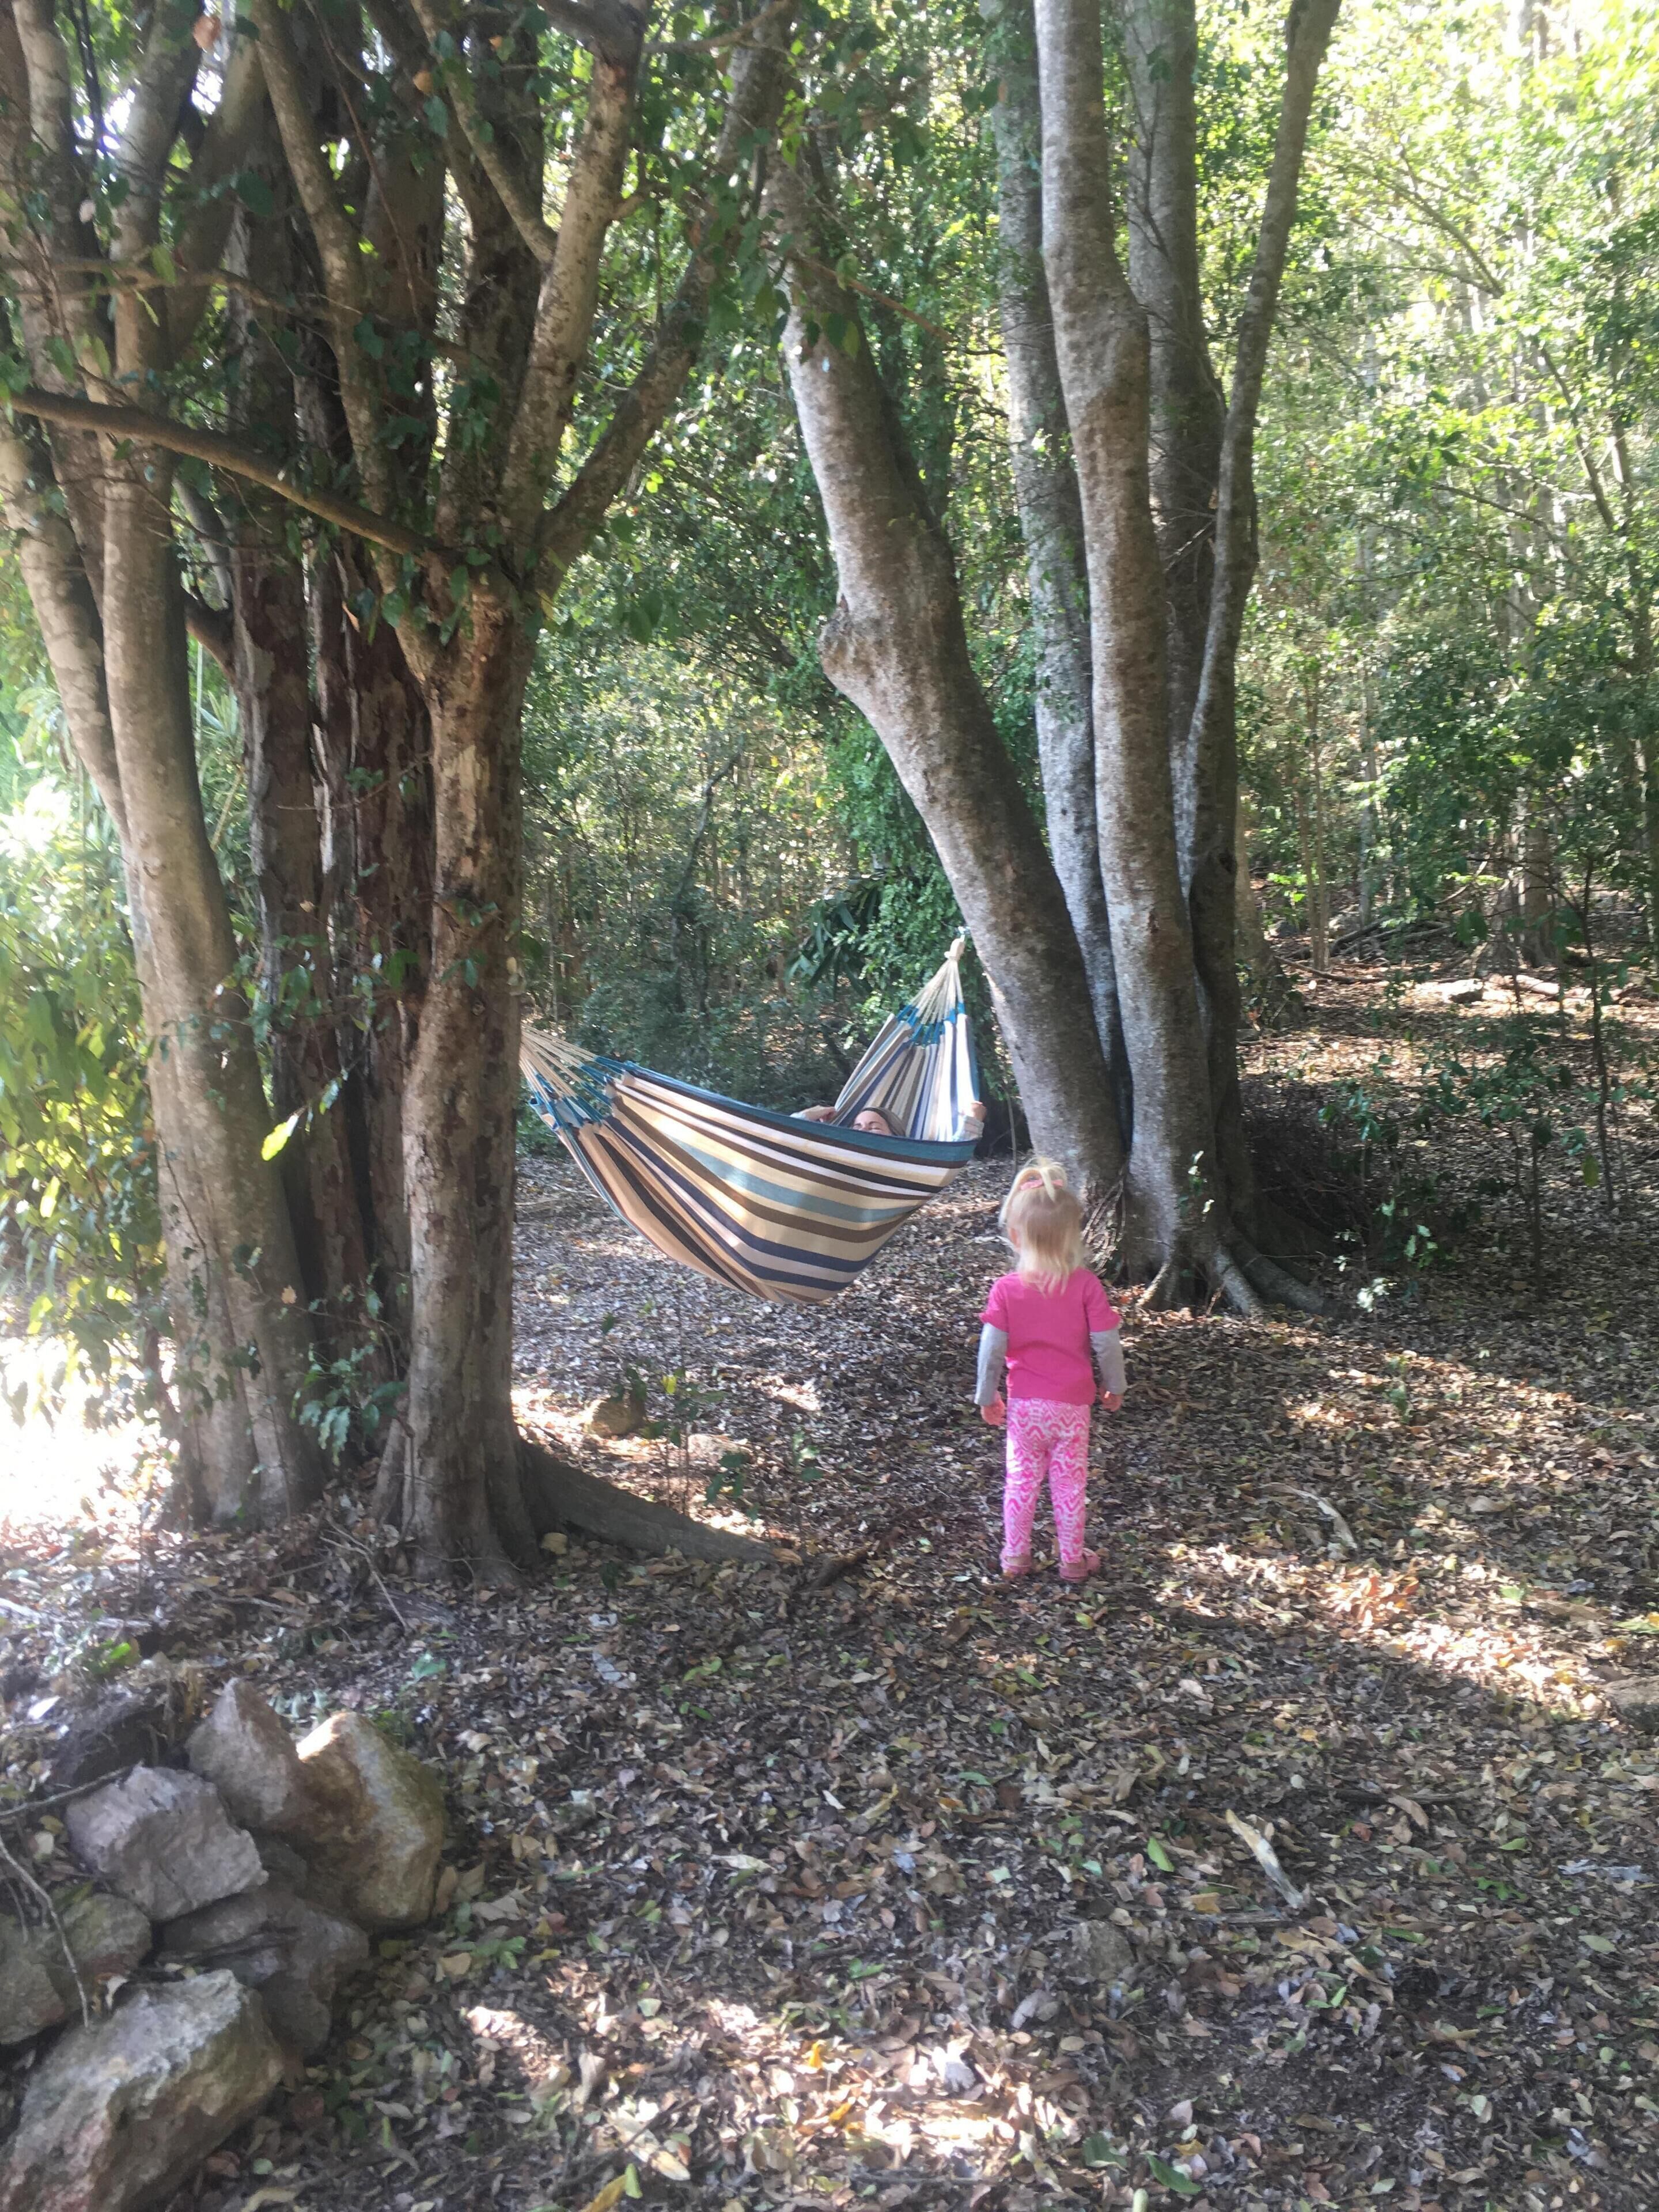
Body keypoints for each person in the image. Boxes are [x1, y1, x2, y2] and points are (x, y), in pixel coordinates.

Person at [973, 1159, 1124, 1583]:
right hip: (1073, 1405)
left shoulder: (1006, 1289)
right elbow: (1106, 1342)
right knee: (1070, 1484)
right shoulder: (1086, 1285)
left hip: (1025, 1405)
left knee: (1021, 1480)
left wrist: (988, 1396)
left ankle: (1015, 1558)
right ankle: (1072, 1561)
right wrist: (1116, 1386)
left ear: (1017, 1236)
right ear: (1073, 1235)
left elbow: (991, 1349)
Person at [794, 1099, 987, 1138]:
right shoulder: (839, 1152)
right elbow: (781, 1143)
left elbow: (951, 1158)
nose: (863, 1131)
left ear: (894, 1135)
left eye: (874, 1127)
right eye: (858, 1126)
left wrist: (974, 1120)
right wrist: (804, 1116)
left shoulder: (904, 1162)